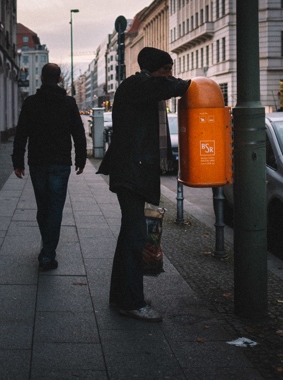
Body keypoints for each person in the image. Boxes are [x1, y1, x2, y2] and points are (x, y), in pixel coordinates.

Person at [97, 47, 191, 322]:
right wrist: (191, 85)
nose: (169, 75)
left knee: (130, 234)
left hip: (131, 170)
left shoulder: (141, 87)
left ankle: (121, 297)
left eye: (170, 69)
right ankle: (132, 302)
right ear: (152, 70)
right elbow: (170, 86)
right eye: (165, 69)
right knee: (135, 237)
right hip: (131, 171)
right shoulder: (137, 85)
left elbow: (163, 86)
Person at [12, 63, 87, 271]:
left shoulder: (31, 103)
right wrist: (80, 160)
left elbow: (21, 134)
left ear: (42, 79)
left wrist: (17, 161)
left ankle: (47, 249)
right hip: (60, 163)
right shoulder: (68, 103)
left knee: (43, 207)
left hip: (37, 163)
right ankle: (47, 253)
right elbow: (78, 134)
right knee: (55, 209)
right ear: (60, 79)